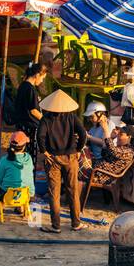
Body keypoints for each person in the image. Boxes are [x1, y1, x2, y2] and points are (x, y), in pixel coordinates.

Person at [36, 89, 87, 232]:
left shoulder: (46, 119)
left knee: (54, 193)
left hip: (52, 158)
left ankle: (56, 225)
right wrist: (78, 149)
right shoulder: (71, 117)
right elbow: (83, 133)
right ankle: (76, 223)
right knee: (73, 191)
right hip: (71, 158)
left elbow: (40, 136)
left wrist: (44, 151)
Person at [10, 60, 47, 135]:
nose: (42, 81)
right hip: (29, 123)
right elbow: (33, 111)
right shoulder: (31, 89)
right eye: (42, 78)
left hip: (21, 122)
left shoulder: (23, 85)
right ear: (37, 75)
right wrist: (44, 120)